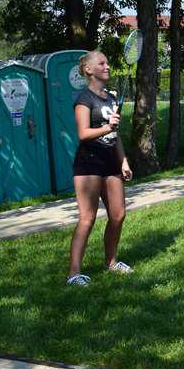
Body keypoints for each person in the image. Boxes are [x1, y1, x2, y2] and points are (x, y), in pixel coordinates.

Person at [66, 51, 133, 286]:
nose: (107, 66)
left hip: (110, 161)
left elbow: (116, 134)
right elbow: (83, 133)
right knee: (87, 218)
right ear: (88, 70)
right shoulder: (84, 99)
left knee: (118, 214)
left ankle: (111, 262)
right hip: (89, 162)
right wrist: (107, 127)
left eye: (107, 62)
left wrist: (123, 161)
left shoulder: (110, 98)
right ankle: (74, 274)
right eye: (101, 63)